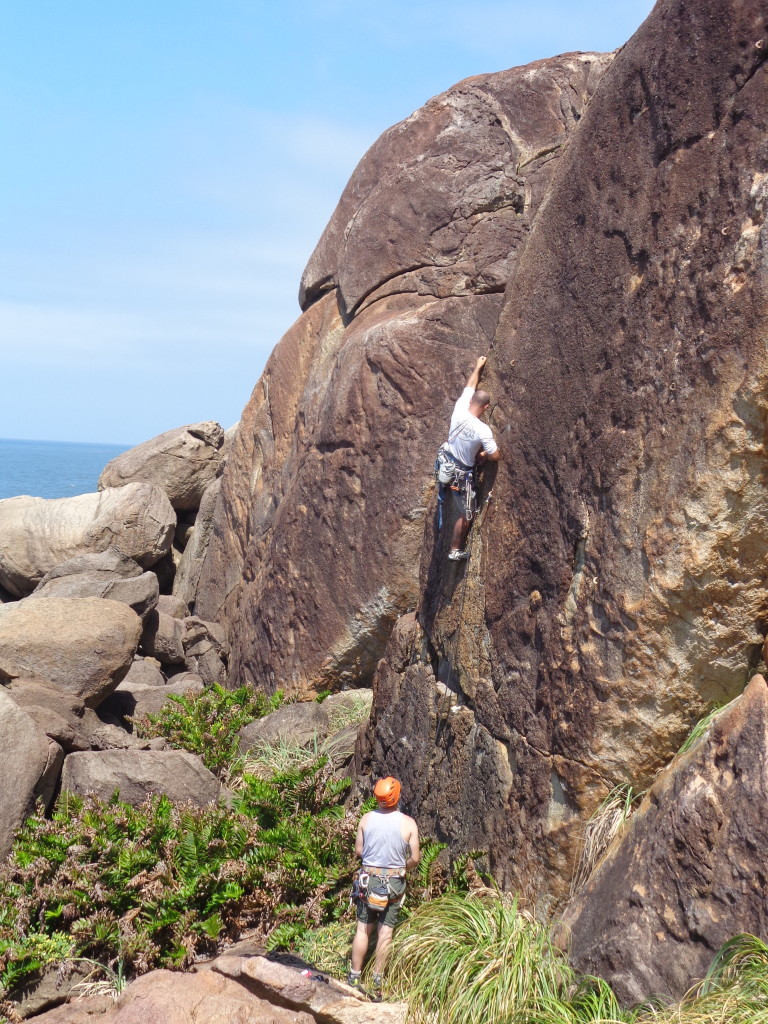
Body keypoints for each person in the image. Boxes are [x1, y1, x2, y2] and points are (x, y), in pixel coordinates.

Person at [347, 776, 420, 1000]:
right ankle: (377, 981)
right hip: (394, 883)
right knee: (385, 932)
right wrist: (403, 867)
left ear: (377, 797)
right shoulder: (408, 823)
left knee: (362, 929)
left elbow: (359, 851)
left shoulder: (366, 819)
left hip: (369, 880)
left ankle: (354, 977)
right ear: (396, 796)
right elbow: (415, 858)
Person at [441, 355, 500, 560]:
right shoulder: (482, 429)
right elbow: (494, 456)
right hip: (461, 474)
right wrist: (485, 453)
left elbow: (470, 385)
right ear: (485, 407)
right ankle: (454, 551)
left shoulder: (460, 407)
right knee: (467, 513)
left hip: (446, 460)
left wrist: (478, 366)